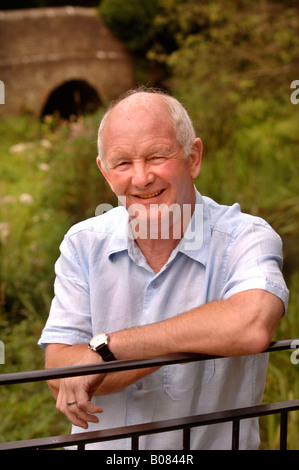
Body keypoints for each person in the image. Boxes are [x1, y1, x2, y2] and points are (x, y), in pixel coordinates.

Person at [38, 87, 289, 450]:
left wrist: (109, 349)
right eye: (122, 163)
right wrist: (198, 337)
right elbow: (61, 376)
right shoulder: (82, 243)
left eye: (157, 156)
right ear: (105, 173)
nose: (141, 178)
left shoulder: (246, 237)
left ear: (193, 157)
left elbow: (249, 326)